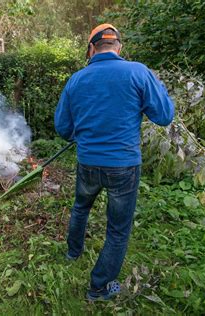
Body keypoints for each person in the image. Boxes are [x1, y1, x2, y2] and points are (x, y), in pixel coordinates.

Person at [54, 23, 174, 302]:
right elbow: (164, 116)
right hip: (123, 166)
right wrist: (160, 89)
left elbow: (62, 127)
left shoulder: (76, 80)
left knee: (81, 206)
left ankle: (73, 253)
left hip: (88, 163)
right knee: (118, 230)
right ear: (119, 47)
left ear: (91, 49)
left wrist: (79, 135)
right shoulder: (138, 72)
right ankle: (99, 287)